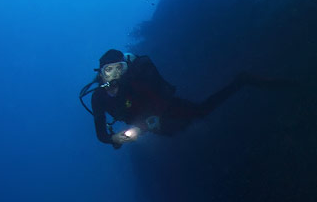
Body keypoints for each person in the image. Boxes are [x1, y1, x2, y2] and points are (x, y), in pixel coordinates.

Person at [82, 49, 268, 149]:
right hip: (141, 123)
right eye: (108, 70)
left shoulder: (135, 78)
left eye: (119, 68)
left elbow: (160, 96)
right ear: (101, 74)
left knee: (200, 112)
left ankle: (240, 81)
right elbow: (101, 133)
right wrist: (114, 138)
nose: (115, 74)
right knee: (175, 133)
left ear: (126, 68)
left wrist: (148, 121)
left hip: (163, 108)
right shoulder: (98, 97)